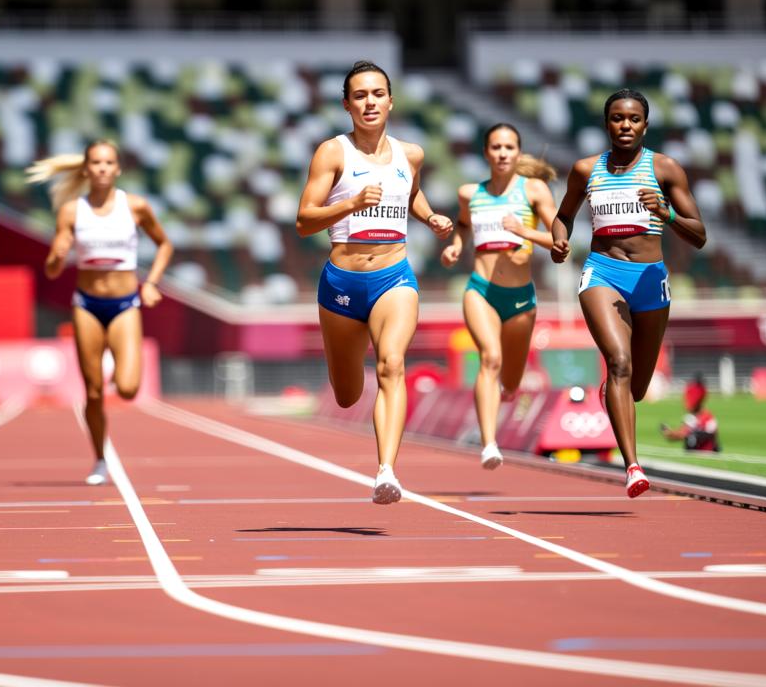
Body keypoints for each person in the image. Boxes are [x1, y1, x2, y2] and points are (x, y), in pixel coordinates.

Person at [296, 60, 453, 504]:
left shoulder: (412, 154)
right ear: (347, 104)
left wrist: (429, 216)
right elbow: (304, 220)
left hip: (394, 277)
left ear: (390, 101)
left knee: (391, 365)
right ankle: (354, 391)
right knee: (347, 395)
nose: (370, 102)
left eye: (377, 94)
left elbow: (413, 190)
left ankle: (386, 471)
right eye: (360, 95)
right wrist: (350, 205)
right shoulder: (332, 153)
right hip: (343, 284)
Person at [550, 88, 706, 498]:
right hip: (602, 273)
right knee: (618, 362)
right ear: (606, 124)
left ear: (645, 125)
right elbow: (563, 216)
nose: (625, 125)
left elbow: (700, 236)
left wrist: (666, 213)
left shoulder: (666, 169)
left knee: (635, 387)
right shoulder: (586, 170)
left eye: (634, 119)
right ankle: (633, 467)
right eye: (618, 118)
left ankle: (615, 396)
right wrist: (559, 242)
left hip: (650, 280)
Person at [27, 141, 173, 486]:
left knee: (127, 389)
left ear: (118, 168)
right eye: (96, 162)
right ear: (86, 169)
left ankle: (114, 370)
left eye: (109, 162)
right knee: (93, 392)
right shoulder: (71, 212)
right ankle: (99, 459)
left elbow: (164, 244)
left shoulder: (135, 206)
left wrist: (151, 282)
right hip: (87, 306)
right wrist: (58, 255)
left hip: (124, 304)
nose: (103, 168)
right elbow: (50, 270)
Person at [439, 123, 558, 470]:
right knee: (489, 357)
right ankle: (489, 443)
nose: (502, 153)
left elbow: (560, 240)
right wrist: (457, 246)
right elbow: (462, 224)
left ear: (518, 153)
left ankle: (508, 392)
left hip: (520, 298)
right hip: (481, 290)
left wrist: (523, 231)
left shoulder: (533, 190)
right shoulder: (469, 194)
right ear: (486, 153)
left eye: (509, 147)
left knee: (511, 380)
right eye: (496, 147)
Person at [660, 373, 721, 451]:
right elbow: (682, 433)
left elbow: (683, 434)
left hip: (706, 452)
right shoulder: (691, 417)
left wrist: (670, 433)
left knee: (693, 438)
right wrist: (669, 433)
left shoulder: (706, 418)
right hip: (699, 451)